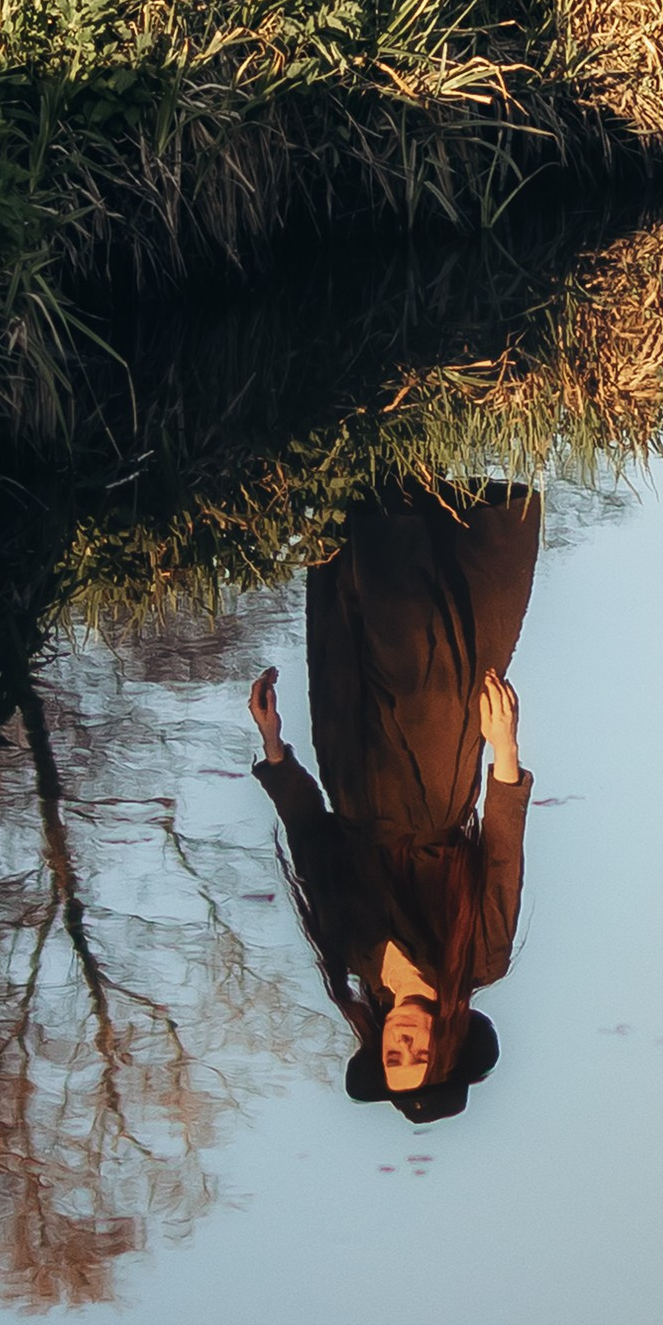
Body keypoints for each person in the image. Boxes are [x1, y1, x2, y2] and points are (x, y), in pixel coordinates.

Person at [252, 482, 541, 1126]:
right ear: (446, 1046)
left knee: (346, 618)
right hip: (433, 772)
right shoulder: (479, 959)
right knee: (406, 627)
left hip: (349, 768)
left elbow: (311, 841)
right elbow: (502, 858)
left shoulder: (351, 953)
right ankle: (405, 480)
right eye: (418, 1054)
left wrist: (274, 749)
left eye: (392, 1054)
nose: (402, 1042)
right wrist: (504, 749)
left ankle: (350, 479)